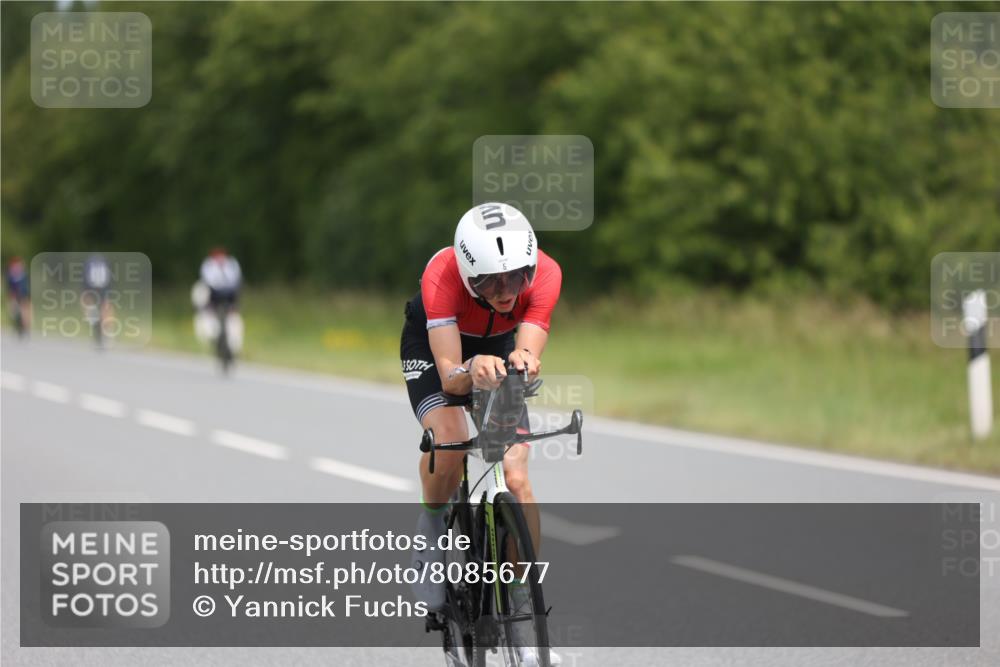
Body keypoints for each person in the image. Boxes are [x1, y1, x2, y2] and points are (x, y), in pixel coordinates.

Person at [400, 202, 562, 665]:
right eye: (490, 281)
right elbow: (451, 377)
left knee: (517, 474)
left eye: (516, 277)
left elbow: (527, 349)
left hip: (498, 346)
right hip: (438, 350)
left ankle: (519, 603)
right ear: (469, 274)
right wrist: (472, 367)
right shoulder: (442, 275)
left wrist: (523, 360)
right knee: (449, 440)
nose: (506, 291)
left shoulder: (546, 274)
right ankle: (431, 529)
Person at [195, 247, 244, 359]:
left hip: (230, 294)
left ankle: (232, 347)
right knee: (206, 305)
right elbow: (206, 281)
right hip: (213, 295)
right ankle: (216, 339)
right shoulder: (208, 265)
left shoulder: (232, 264)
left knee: (233, 318)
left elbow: (237, 281)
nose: (220, 259)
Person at [82, 253, 112, 346]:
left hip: (91, 286)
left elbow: (85, 278)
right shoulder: (104, 263)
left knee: (87, 303)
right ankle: (106, 331)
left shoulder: (89, 263)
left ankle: (95, 321)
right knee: (105, 307)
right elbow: (109, 277)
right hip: (103, 287)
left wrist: (85, 290)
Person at [5, 256, 30, 337]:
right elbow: (9, 288)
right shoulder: (10, 276)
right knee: (13, 311)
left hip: (23, 296)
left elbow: (26, 287)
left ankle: (25, 328)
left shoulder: (24, 275)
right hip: (14, 296)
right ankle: (16, 326)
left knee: (24, 312)